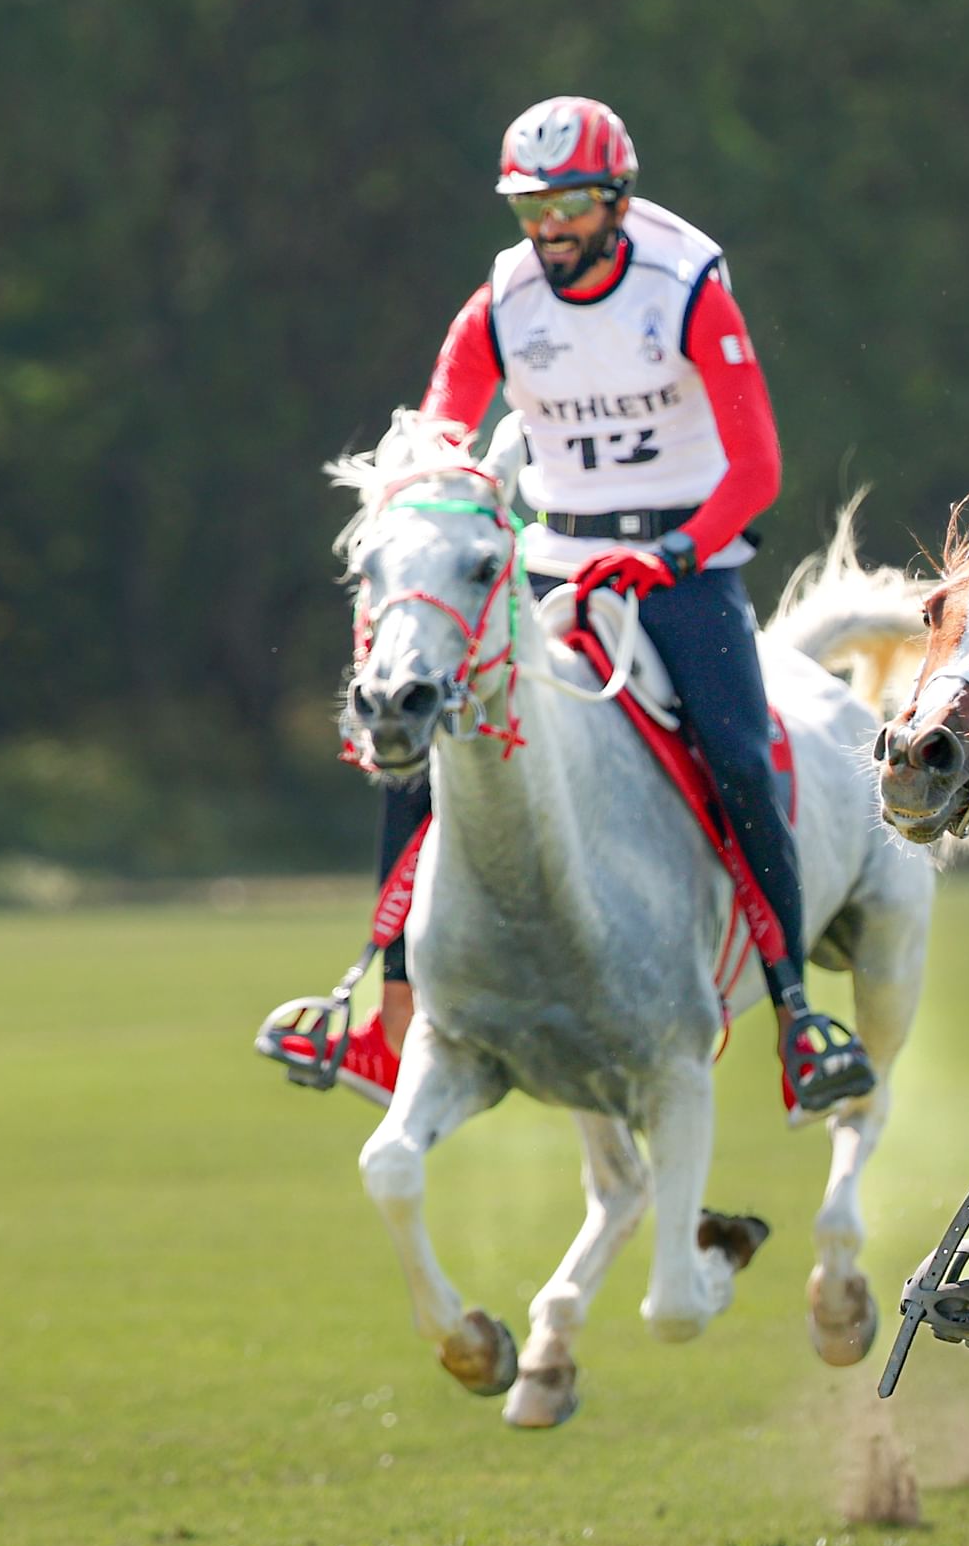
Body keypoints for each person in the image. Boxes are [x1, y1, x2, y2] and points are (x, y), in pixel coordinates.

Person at [277, 94, 874, 1120]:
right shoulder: (503, 301)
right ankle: (387, 1020)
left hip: (684, 565)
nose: (549, 227)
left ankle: (796, 1015)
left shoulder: (685, 285)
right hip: (551, 566)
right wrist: (435, 494)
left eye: (570, 204)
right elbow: (442, 432)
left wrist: (675, 553)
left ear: (616, 199)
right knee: (420, 727)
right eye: (529, 207)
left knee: (737, 747)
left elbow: (758, 466)